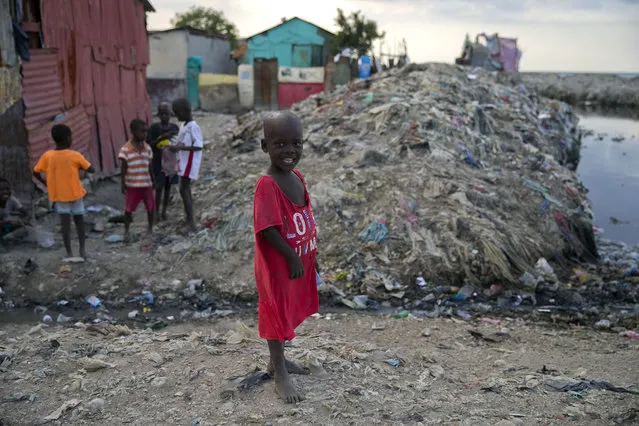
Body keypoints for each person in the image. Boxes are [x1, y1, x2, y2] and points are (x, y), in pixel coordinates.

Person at [253, 111, 319, 403]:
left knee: (288, 311)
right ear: (265, 146)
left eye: (297, 143)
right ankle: (279, 371)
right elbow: (267, 229)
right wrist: (291, 257)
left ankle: (278, 361)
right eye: (280, 144)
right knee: (275, 313)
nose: (290, 150)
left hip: (296, 261)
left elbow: (305, 216)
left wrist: (312, 254)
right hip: (278, 265)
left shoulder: (297, 176)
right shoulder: (267, 184)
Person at [33, 124, 95, 258]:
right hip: (75, 194)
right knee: (79, 222)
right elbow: (91, 169)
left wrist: (45, 183)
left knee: (65, 225)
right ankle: (82, 250)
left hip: (59, 195)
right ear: (68, 138)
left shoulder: (48, 156)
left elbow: (35, 171)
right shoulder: (74, 155)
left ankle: (69, 253)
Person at [118, 119, 155, 241]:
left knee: (150, 207)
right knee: (128, 209)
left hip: (146, 184)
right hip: (133, 185)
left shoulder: (148, 148)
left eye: (146, 132)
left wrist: (153, 180)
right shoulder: (126, 149)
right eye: (142, 132)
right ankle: (127, 231)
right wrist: (123, 183)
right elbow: (124, 168)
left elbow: (150, 166)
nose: (145, 134)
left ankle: (150, 229)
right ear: (133, 132)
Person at [170, 98, 202, 234]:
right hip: (183, 162)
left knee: (184, 190)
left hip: (189, 163)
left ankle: (191, 223)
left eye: (177, 113)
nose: (176, 116)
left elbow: (198, 146)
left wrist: (180, 149)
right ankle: (189, 219)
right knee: (184, 190)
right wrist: (177, 147)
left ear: (185, 111)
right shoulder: (184, 125)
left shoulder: (193, 126)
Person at [148, 103, 179, 221]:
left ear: (170, 114)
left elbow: (179, 142)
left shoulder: (175, 128)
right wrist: (161, 138)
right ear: (159, 115)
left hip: (171, 160)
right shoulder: (154, 128)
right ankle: (156, 211)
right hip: (158, 161)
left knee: (168, 187)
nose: (165, 116)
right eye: (162, 113)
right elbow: (150, 144)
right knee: (159, 186)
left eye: (167, 113)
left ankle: (164, 211)